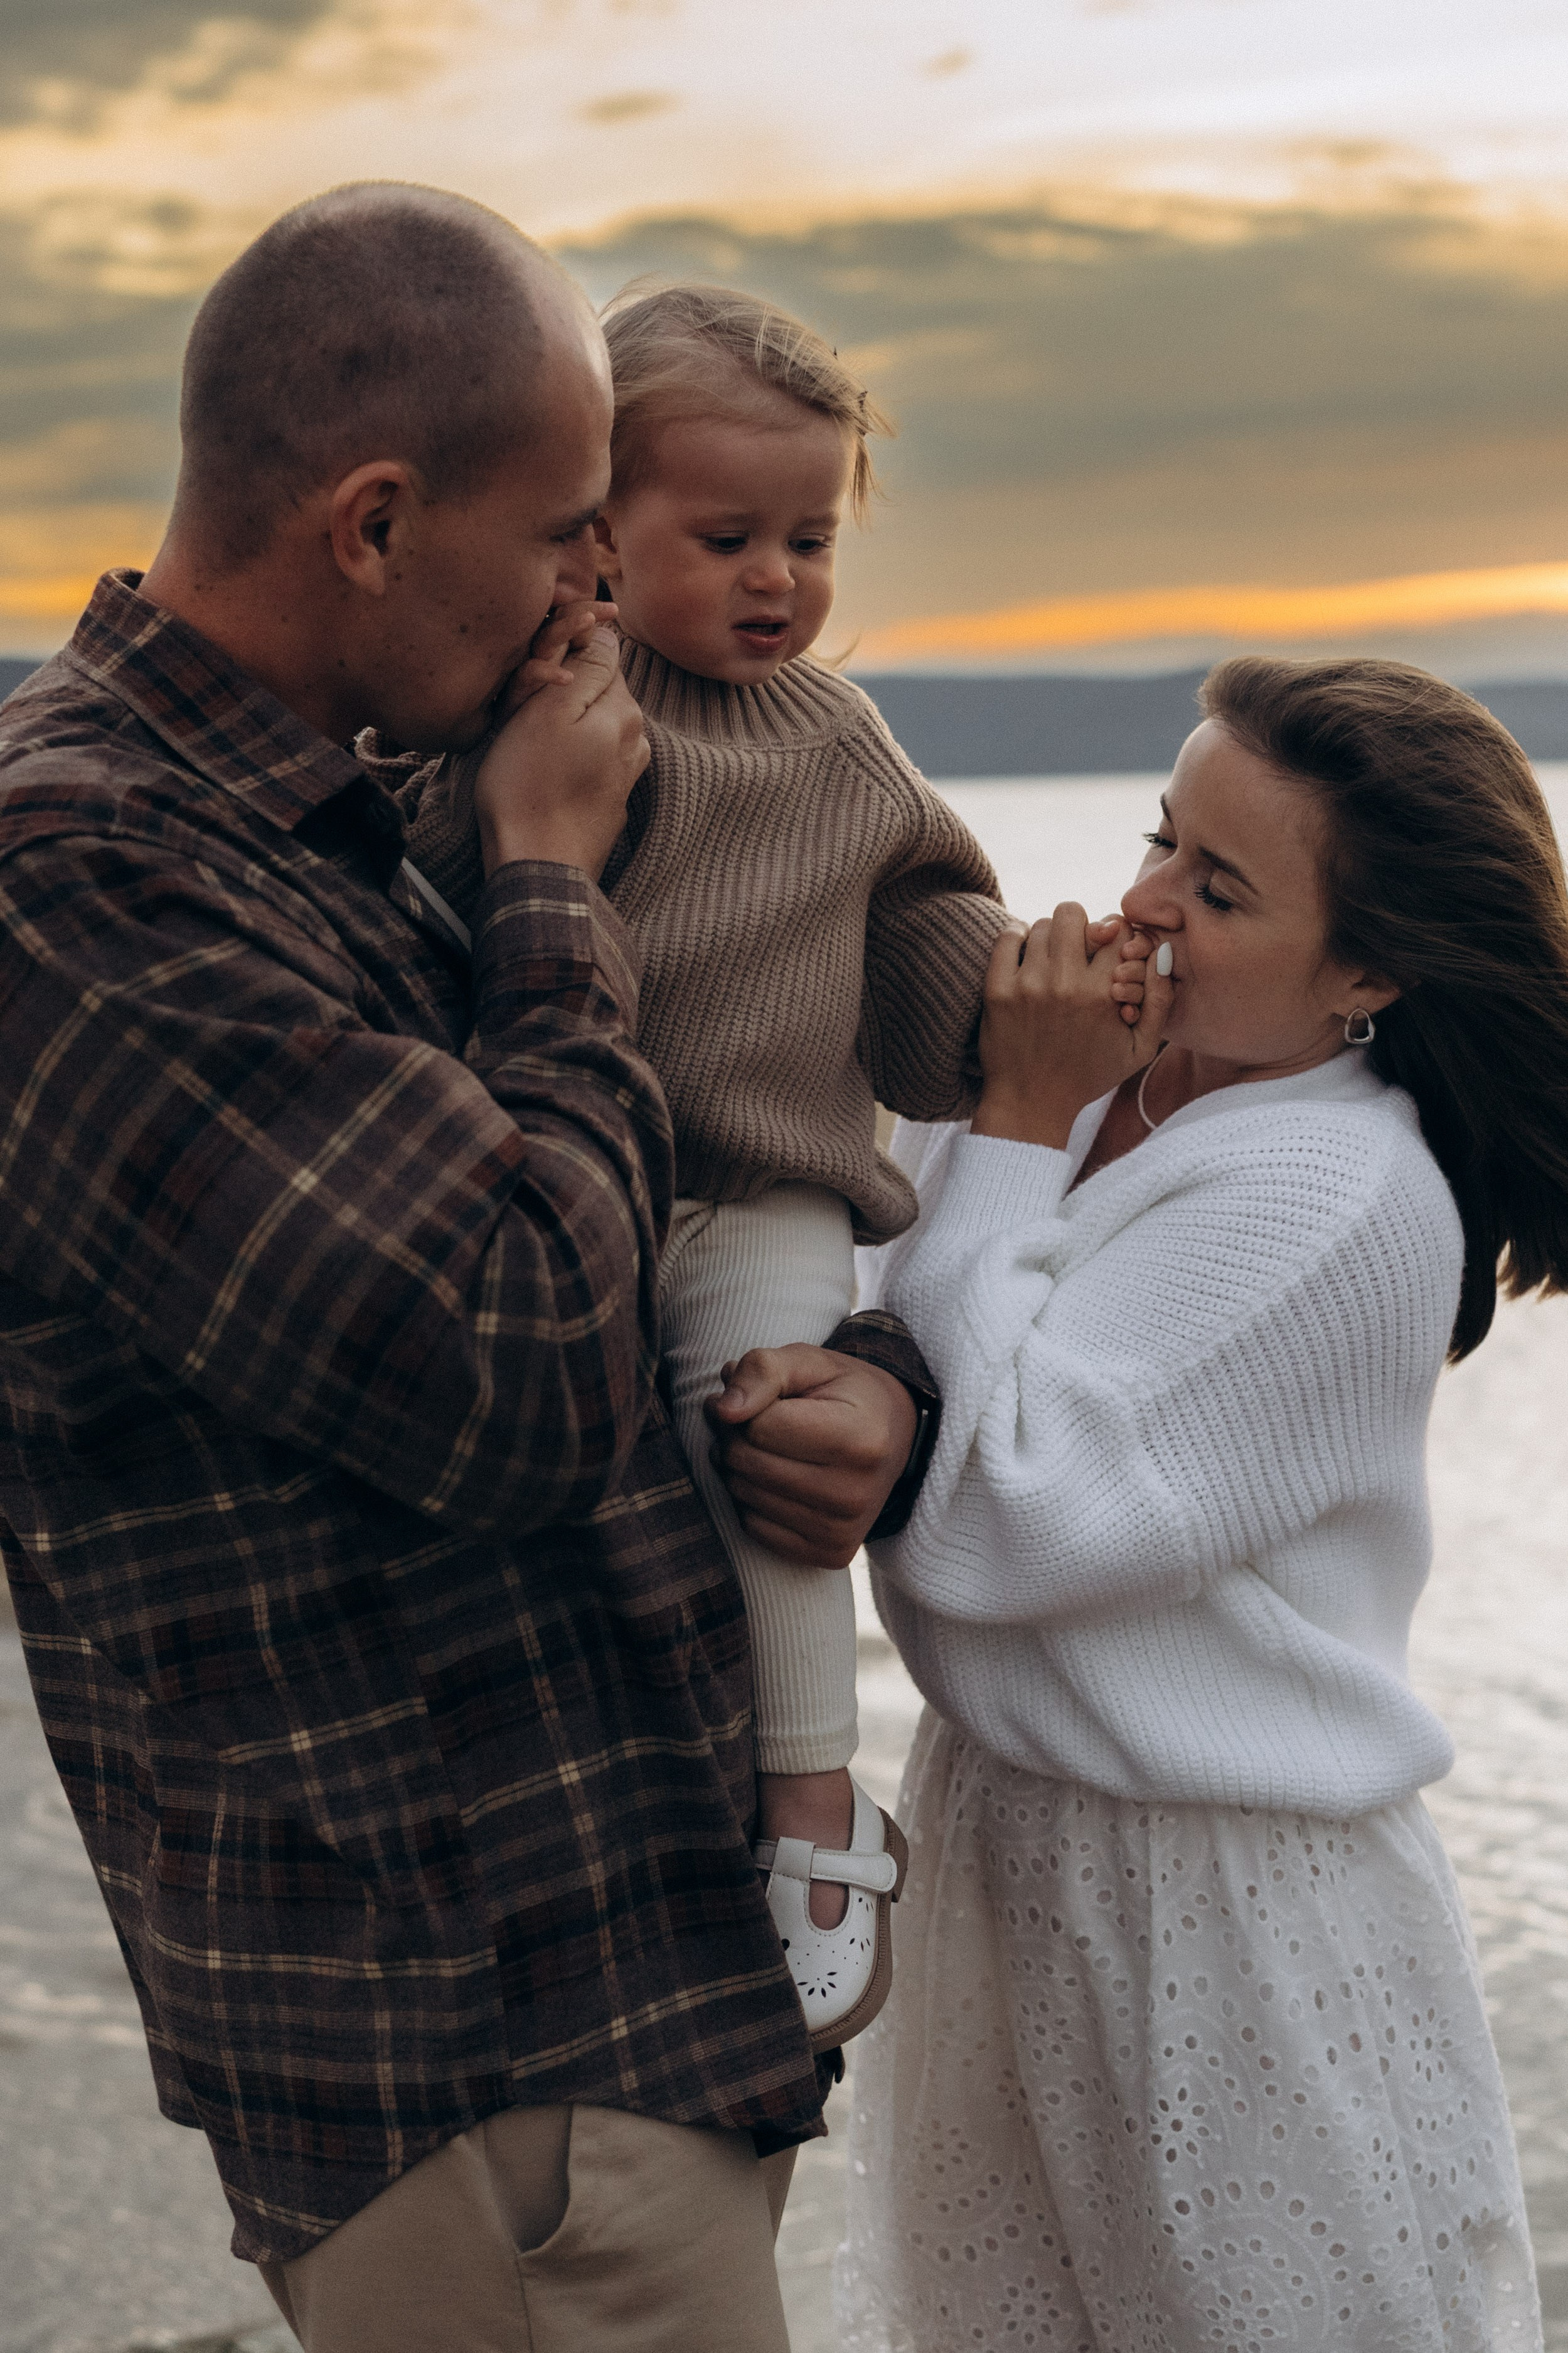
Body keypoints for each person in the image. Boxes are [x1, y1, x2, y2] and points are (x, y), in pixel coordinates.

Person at [0, 183, 935, 2353]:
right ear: (372, 519)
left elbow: (665, 1193)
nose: (585, 606)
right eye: (557, 540)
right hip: (481, 2067)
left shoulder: (329, 820)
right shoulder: (84, 887)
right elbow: (517, 1365)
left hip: (612, 2024)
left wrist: (870, 1374)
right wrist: (545, 875)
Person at [839, 656, 1562, 2351]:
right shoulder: (1096, 1085)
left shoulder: (1337, 1193)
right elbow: (889, 1318)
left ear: (1367, 968)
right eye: (1161, 838)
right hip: (1005, 1836)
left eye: (1217, 890)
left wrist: (1009, 1123)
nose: (1142, 905)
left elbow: (982, 1521)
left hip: (1229, 1914)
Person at [394, 281, 1018, 2047]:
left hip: (758, 1189)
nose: (776, 579)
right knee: (568, 1492)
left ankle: (811, 1810)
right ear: (596, 531)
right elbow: (431, 881)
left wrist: (1034, 993)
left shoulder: (837, 743)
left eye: (809, 539)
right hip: (549, 1173)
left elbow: (928, 940)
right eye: (725, 534)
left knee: (761, 1456)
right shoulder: (543, 700)